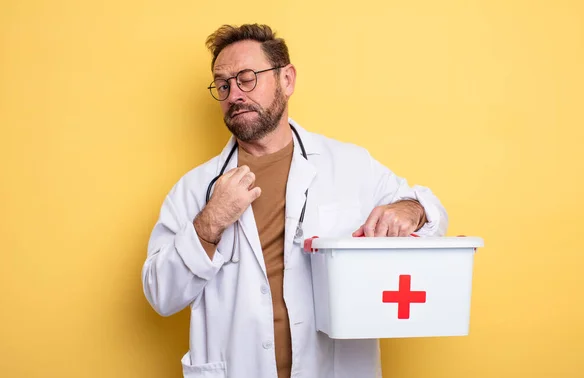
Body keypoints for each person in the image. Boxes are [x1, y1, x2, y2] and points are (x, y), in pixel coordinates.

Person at [142, 23, 448, 378]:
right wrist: (210, 222)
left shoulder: (349, 165)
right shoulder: (196, 188)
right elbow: (160, 294)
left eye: (247, 78)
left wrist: (410, 210)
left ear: (287, 79)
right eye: (223, 85)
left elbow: (432, 215)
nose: (234, 94)